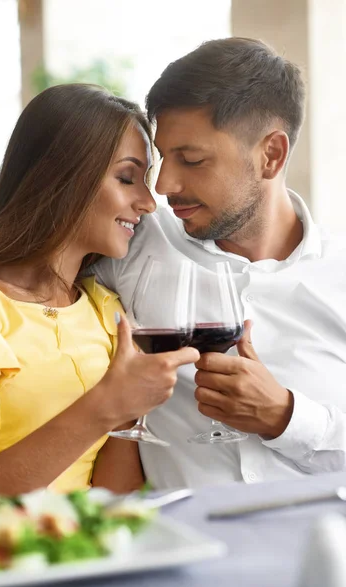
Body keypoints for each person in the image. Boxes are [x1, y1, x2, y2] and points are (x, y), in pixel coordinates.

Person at [91, 37, 346, 491]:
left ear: (271, 155)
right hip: (180, 548)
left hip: (319, 551)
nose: (165, 184)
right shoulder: (136, 240)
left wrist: (285, 417)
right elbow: (7, 261)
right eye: (164, 159)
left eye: (192, 160)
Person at [0, 84, 199, 498]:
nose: (148, 202)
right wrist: (106, 408)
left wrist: (130, 413)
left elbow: (112, 498)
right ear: (62, 177)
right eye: (126, 178)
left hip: (80, 554)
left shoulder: (106, 312)